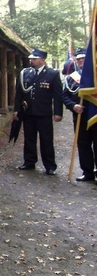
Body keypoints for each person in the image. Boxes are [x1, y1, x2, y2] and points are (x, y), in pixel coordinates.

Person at [14, 48, 63, 174]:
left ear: (42, 60)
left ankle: (50, 166)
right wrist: (16, 110)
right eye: (30, 59)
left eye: (34, 59)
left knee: (46, 140)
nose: (31, 61)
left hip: (44, 113)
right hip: (28, 113)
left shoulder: (52, 74)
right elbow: (19, 94)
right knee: (29, 138)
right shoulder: (25, 73)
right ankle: (29, 162)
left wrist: (58, 113)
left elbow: (58, 95)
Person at [61, 48, 97, 182]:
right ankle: (87, 172)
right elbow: (64, 95)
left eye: (83, 58)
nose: (81, 61)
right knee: (83, 144)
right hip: (80, 117)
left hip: (95, 117)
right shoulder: (72, 77)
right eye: (79, 59)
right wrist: (73, 106)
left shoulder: (95, 77)